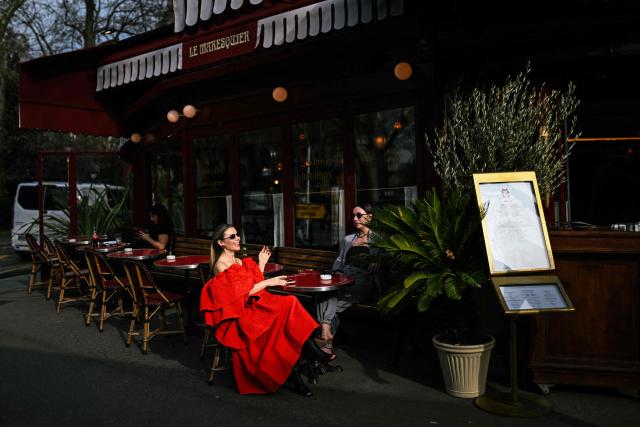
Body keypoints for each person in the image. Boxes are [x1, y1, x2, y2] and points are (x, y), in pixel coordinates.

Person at [199, 224, 322, 396]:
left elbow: (252, 284)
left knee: (290, 303)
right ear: (221, 243)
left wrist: (261, 264)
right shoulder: (221, 266)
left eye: (237, 235)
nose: (237, 239)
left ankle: (310, 354)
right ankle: (307, 359)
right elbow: (243, 293)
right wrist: (270, 282)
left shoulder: (239, 261)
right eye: (232, 237)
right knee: (283, 313)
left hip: (251, 305)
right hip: (240, 314)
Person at [315, 204, 383, 357]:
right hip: (344, 277)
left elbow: (391, 256)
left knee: (326, 296)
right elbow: (340, 260)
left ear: (370, 217)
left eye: (358, 215)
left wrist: (380, 260)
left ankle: (323, 338)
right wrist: (333, 275)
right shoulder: (348, 239)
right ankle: (326, 337)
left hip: (363, 280)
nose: (354, 219)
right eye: (353, 216)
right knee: (324, 292)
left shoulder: (379, 238)